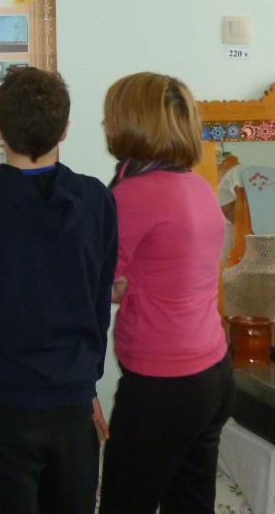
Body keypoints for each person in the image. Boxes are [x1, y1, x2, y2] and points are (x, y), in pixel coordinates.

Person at [0, 67, 116, 514]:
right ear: (65, 129)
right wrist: (88, 379)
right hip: (69, 401)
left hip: (3, 405)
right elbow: (98, 303)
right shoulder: (96, 199)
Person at [98, 73, 234, 514]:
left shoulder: (132, 196)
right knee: (190, 503)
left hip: (164, 386)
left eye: (111, 115)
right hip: (213, 372)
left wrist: (120, 287)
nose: (104, 124)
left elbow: (97, 284)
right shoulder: (197, 186)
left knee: (123, 503)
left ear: (133, 122)